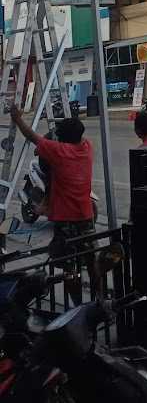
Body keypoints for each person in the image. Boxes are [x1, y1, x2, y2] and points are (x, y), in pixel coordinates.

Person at [10, 105, 94, 303]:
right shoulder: (87, 148)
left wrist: (17, 118)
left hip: (66, 220)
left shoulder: (59, 152)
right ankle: (97, 301)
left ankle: (77, 307)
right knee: (92, 259)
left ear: (63, 139)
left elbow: (32, 137)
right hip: (86, 215)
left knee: (69, 267)